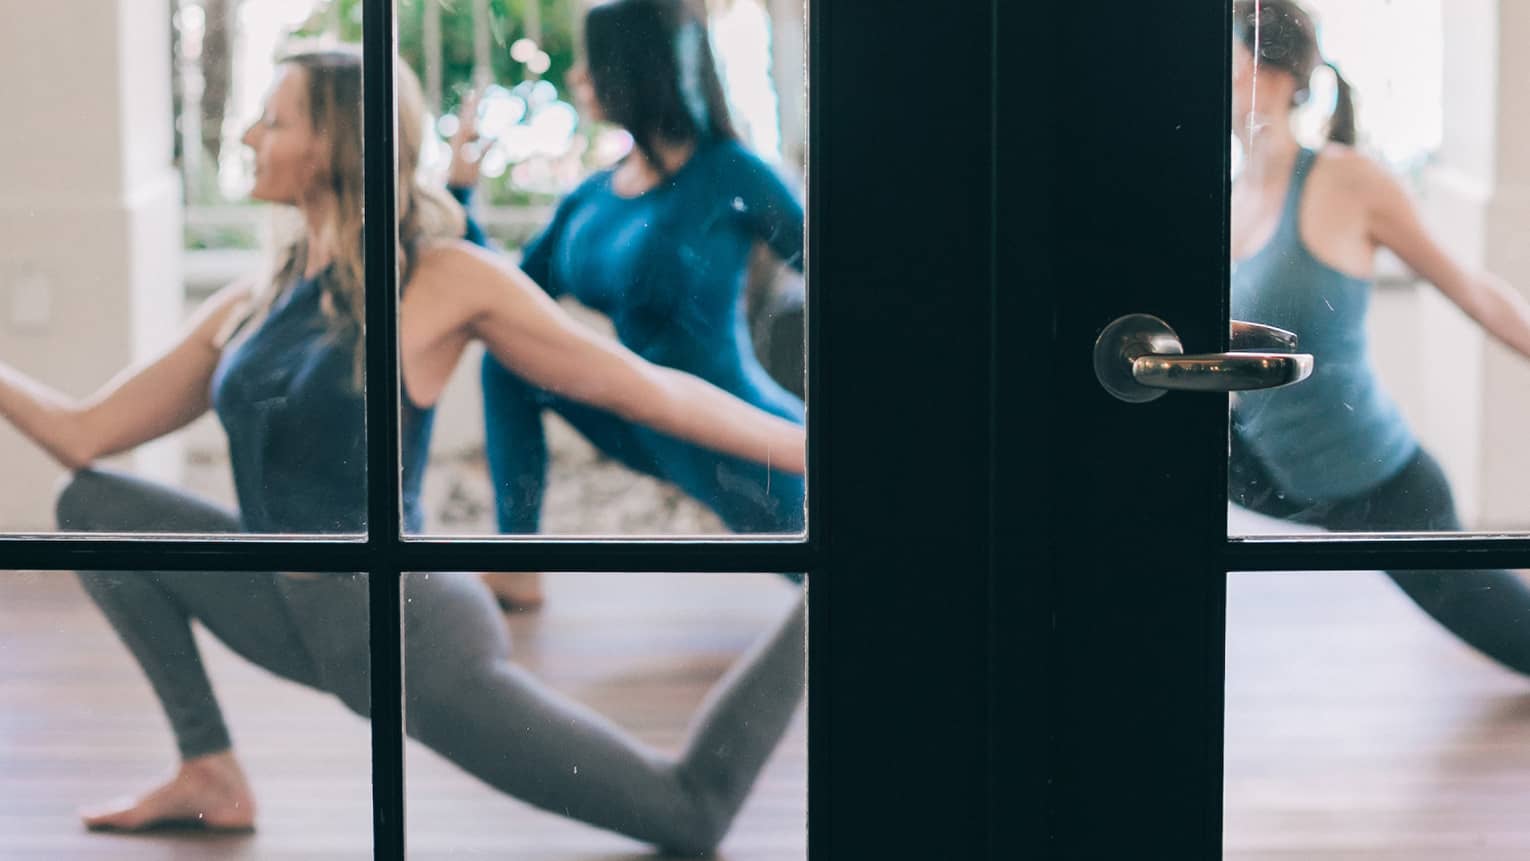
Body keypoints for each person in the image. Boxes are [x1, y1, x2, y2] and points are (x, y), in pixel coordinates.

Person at [0, 47, 805, 856]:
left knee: (686, 815)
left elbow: (646, 390)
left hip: (408, 636)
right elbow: (81, 433)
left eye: (273, 121)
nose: (247, 136)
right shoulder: (254, 300)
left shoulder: (439, 279)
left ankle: (828, 603)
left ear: (335, 146)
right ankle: (208, 770)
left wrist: (815, 453)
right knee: (92, 506)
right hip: (286, 608)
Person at [452, 0, 806, 609]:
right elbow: (506, 297)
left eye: (592, 63)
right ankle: (517, 564)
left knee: (854, 586)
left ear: (637, 66)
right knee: (509, 360)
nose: (578, 78)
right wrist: (460, 193)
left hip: (737, 435)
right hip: (644, 419)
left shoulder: (731, 172)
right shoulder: (593, 196)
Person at [1230, 0, 1530, 676]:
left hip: (1384, 488)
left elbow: (1470, 287)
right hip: (1275, 474)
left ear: (1272, 73)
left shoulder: (1346, 180)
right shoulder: (1230, 194)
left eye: (1227, 54)